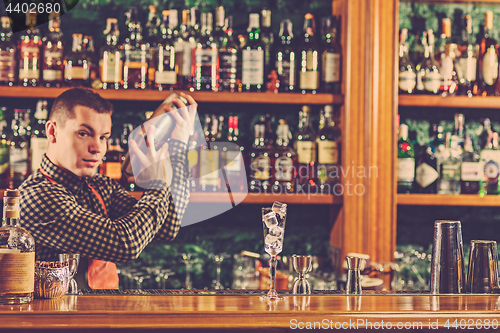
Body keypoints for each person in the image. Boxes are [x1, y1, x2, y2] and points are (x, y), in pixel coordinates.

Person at [19, 88, 196, 289]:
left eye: (103, 137)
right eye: (84, 133)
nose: (97, 148)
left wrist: (179, 149)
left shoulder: (100, 186)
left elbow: (167, 227)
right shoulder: (37, 196)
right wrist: (157, 186)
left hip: (106, 314)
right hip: (59, 317)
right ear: (52, 132)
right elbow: (124, 245)